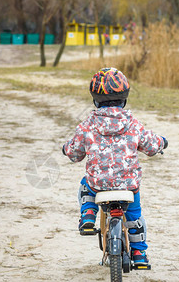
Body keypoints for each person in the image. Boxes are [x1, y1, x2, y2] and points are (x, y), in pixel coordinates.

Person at [62, 67, 168, 266]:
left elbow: (74, 152)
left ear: (95, 100)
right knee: (135, 218)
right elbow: (151, 145)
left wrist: (66, 149)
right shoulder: (133, 124)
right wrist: (162, 142)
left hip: (98, 184)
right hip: (128, 186)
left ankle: (88, 214)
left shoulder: (88, 125)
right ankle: (139, 255)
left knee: (86, 184)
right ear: (124, 99)